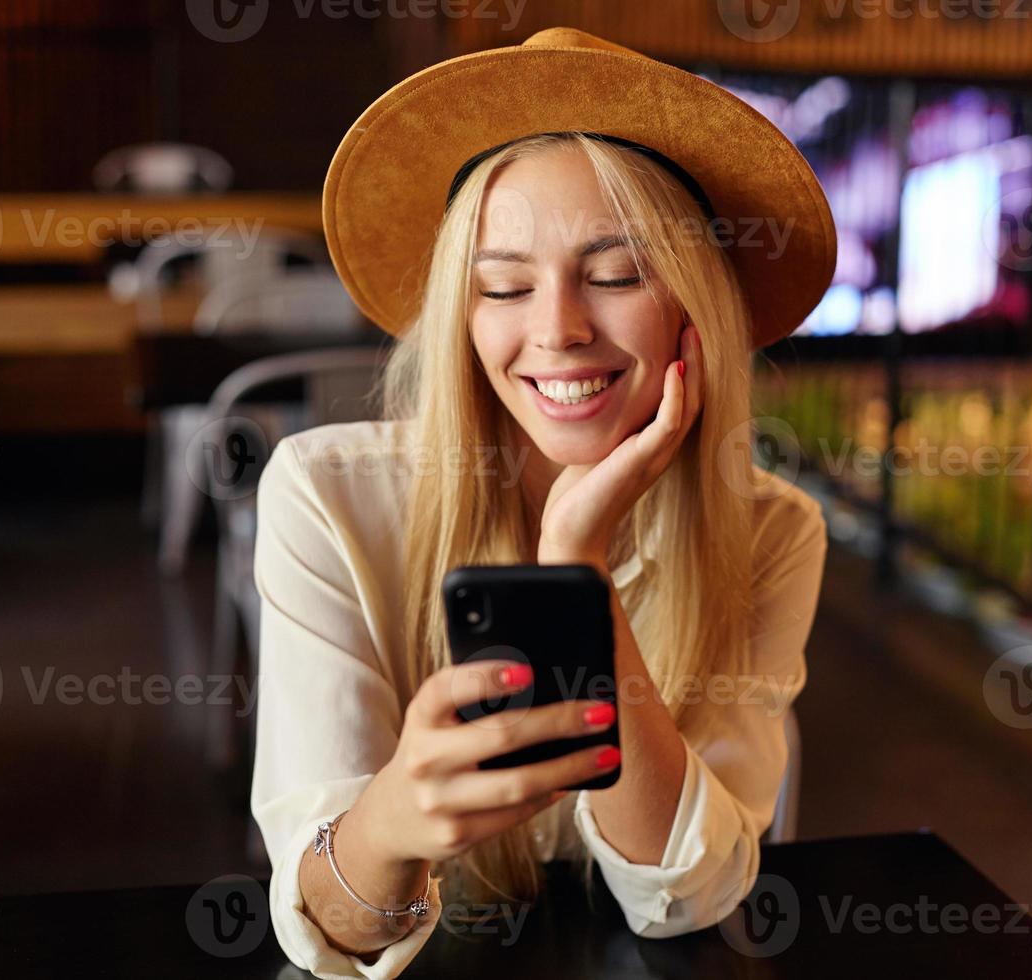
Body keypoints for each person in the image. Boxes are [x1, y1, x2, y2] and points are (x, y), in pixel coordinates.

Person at [252, 26, 838, 979]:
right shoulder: (326, 498)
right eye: (503, 286)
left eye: (617, 275)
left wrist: (577, 557)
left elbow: (687, 897)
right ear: (461, 314)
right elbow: (330, 930)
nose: (558, 330)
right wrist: (396, 815)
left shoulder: (772, 530)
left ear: (698, 308)